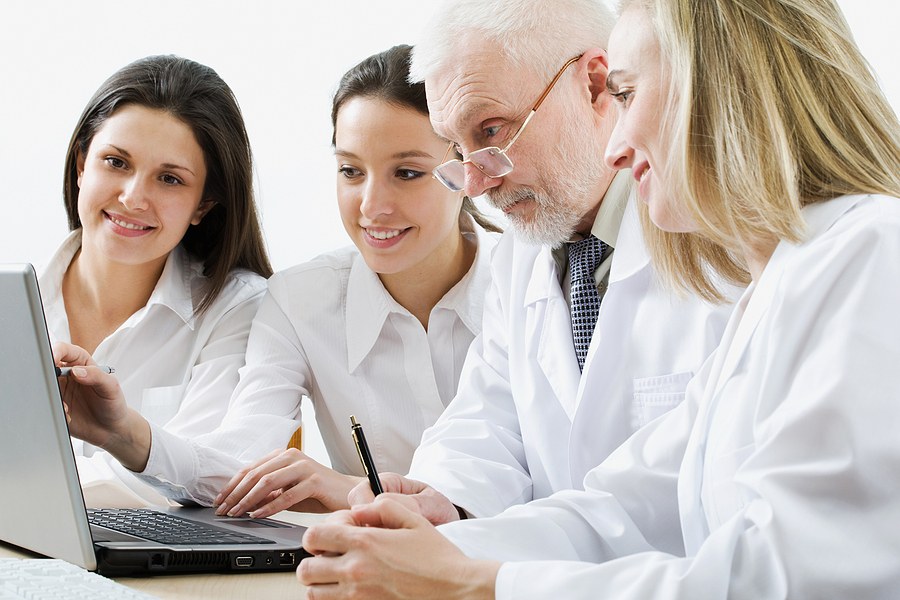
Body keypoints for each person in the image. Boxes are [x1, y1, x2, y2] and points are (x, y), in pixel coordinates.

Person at [298, 0, 900, 597]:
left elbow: (798, 577)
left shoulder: (866, 253)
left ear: (720, 91)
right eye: (458, 153)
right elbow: (623, 506)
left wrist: (474, 582)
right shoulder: (785, 277)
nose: (618, 142)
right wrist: (435, 542)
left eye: (628, 93)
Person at [57, 45, 501, 512]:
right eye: (351, 171)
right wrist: (124, 433)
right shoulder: (300, 301)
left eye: (407, 173)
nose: (371, 205)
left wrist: (345, 489)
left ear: (468, 171)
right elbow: (238, 460)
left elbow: (536, 476)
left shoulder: (527, 283)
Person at [345, 0, 736, 526]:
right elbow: (489, 422)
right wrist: (446, 502)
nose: (478, 183)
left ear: (596, 86)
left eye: (490, 131)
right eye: (456, 149)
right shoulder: (520, 257)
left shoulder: (726, 245)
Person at [48, 54, 272, 506]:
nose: (133, 197)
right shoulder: (15, 302)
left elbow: (219, 475)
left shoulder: (239, 308)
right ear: (80, 167)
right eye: (115, 162)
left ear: (203, 207)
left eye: (169, 179)